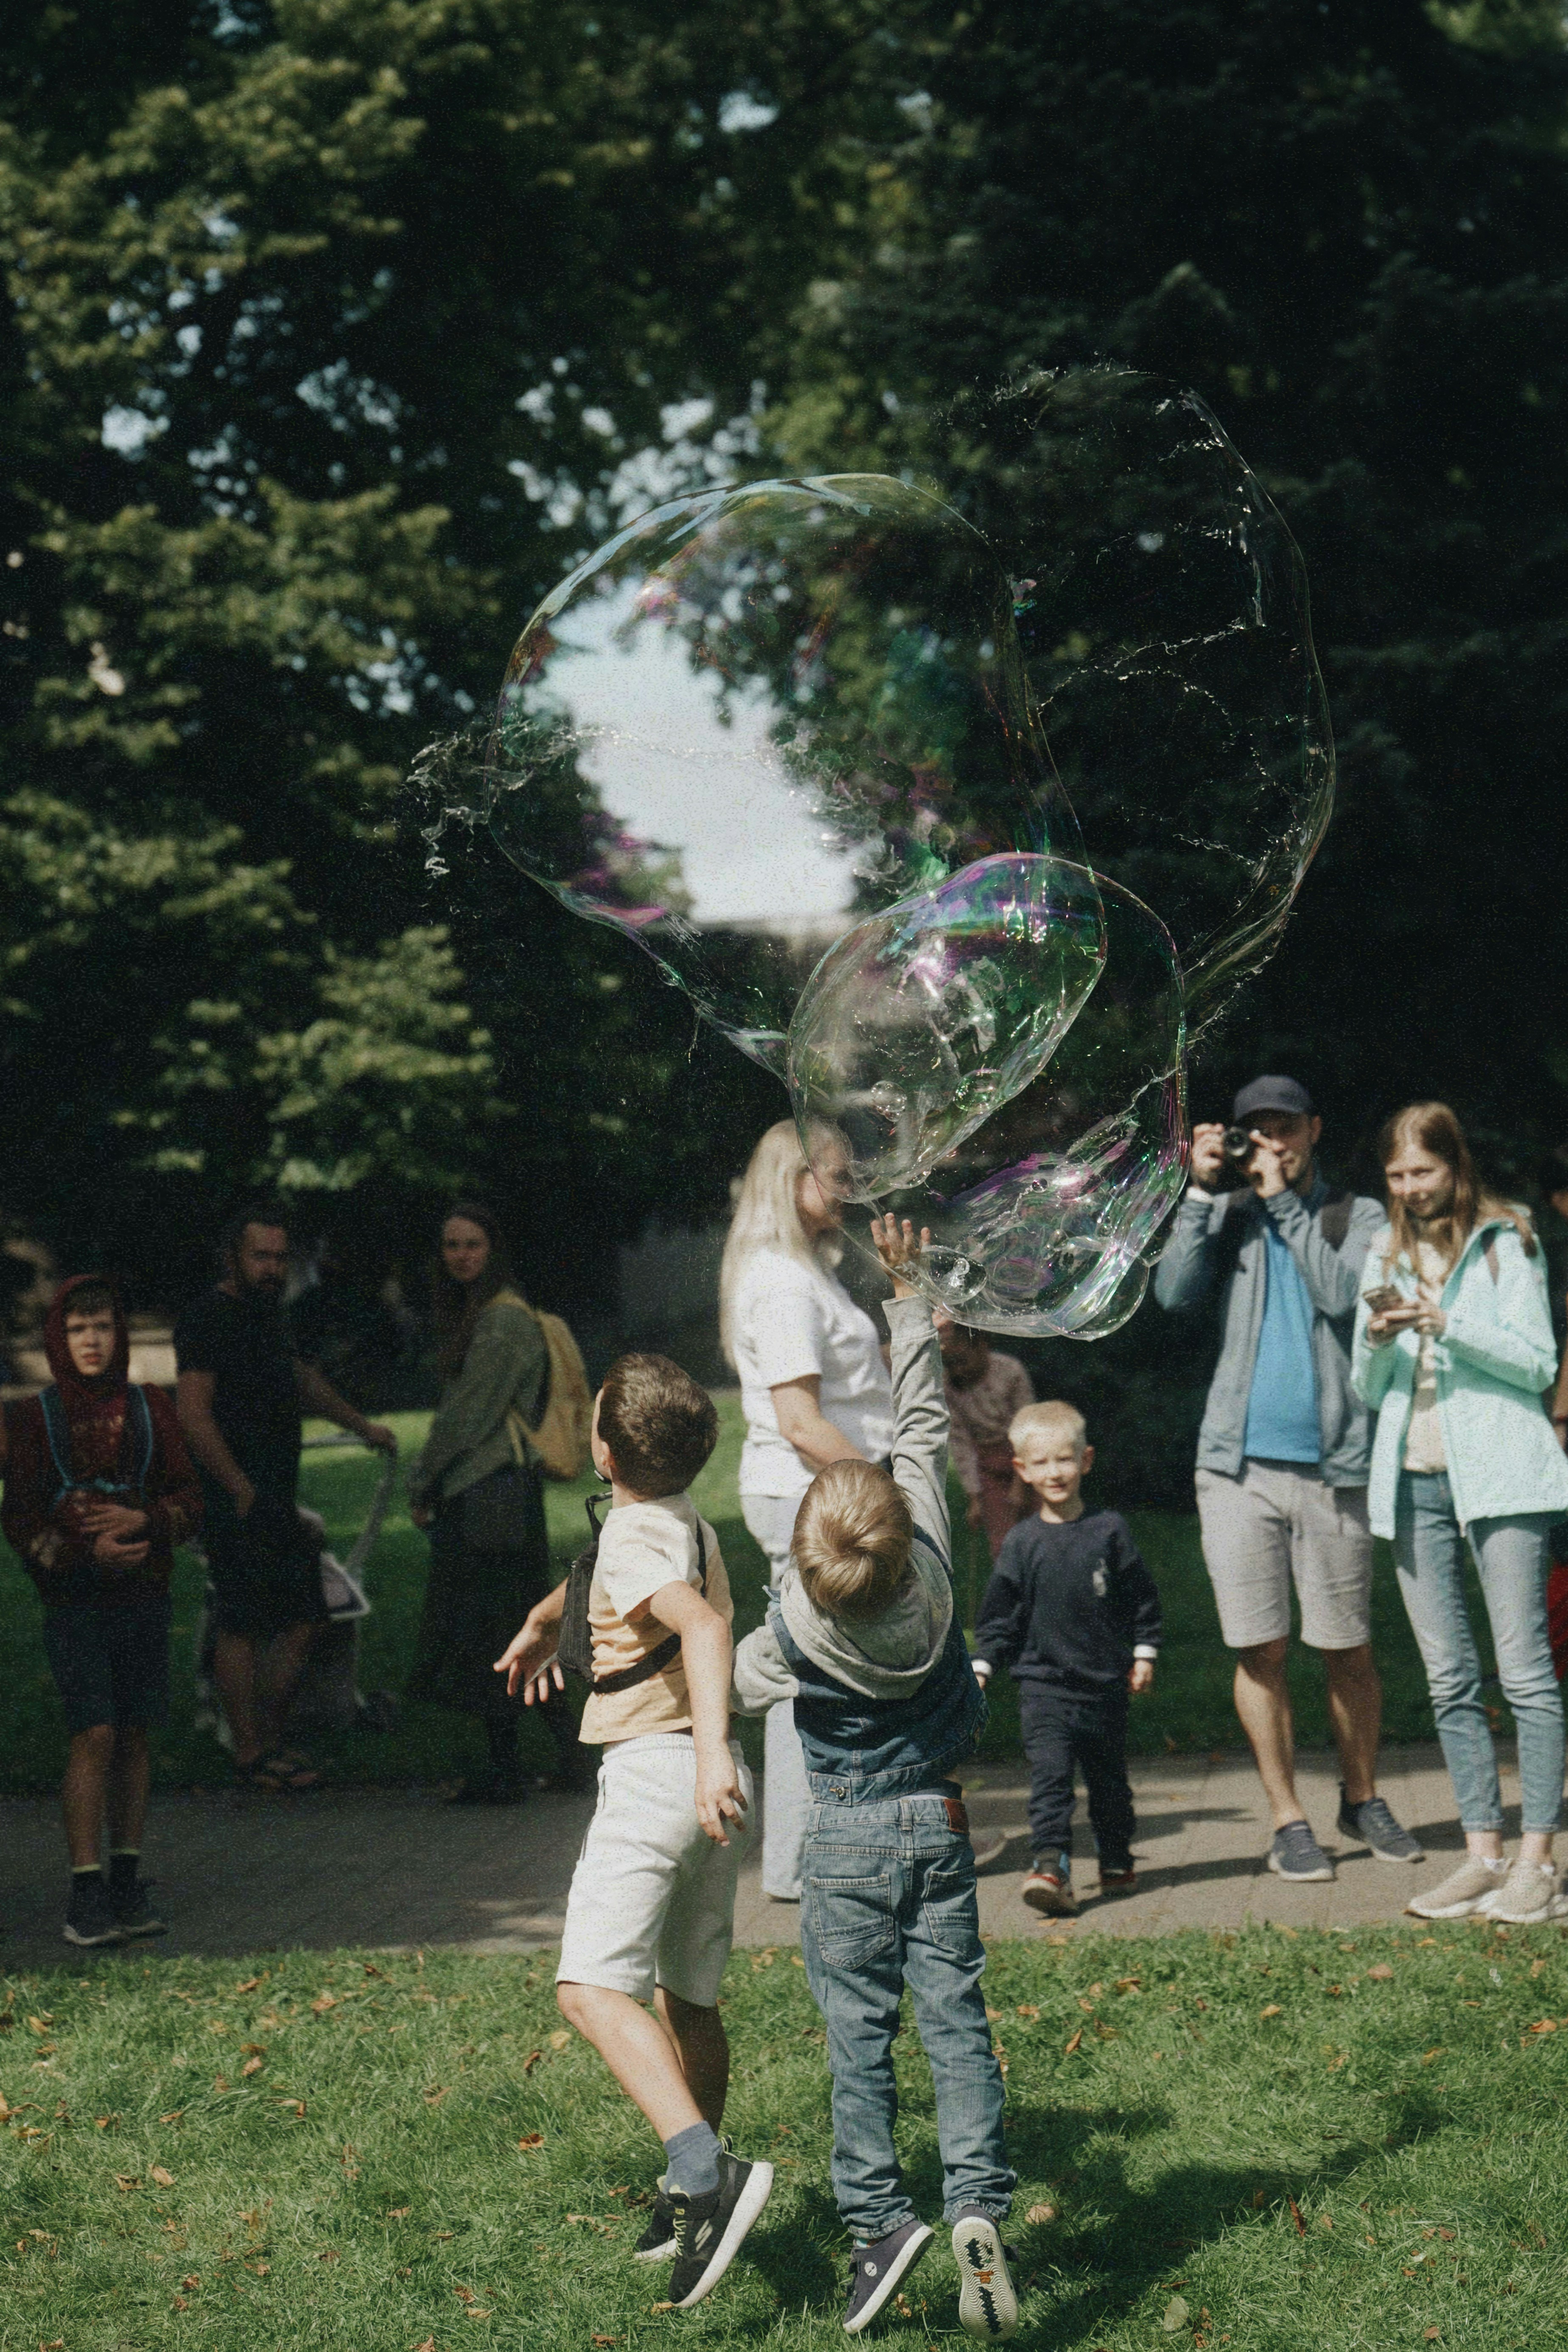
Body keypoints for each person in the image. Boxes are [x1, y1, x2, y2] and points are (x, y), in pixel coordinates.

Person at [732, 1217, 1016, 2342]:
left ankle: (876, 2223)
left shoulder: (795, 1630)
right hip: (941, 1824)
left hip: (843, 1841)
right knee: (955, 2022)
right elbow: (919, 1418)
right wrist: (908, 1292)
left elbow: (734, 1670)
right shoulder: (936, 1568)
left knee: (859, 2038)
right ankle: (977, 2206)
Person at [496, 1353, 773, 2311]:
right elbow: (605, 1570)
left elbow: (697, 1625)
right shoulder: (672, 1516)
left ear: (605, 1452)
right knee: (686, 1996)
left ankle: (708, 2170)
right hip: (708, 1784)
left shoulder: (633, 1536)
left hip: (664, 1774)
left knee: (587, 1987)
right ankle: (694, 2188)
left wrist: (704, 1755)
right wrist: (543, 1622)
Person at [1154, 1074, 1422, 1880]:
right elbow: (1170, 1294)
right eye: (1253, 1132)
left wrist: (1283, 1203)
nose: (1270, 1145)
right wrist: (1203, 1190)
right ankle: (1286, 1815)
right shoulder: (1228, 1215)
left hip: (1334, 1462)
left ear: (1312, 1129)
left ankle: (1363, 1794)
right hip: (1237, 1467)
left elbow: (1345, 1295)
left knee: (1347, 1647)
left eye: (1283, 1129)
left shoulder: (1359, 1214)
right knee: (1260, 1647)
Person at [1353, 1102, 1568, 1924]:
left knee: (1524, 1674)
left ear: (1455, 1166)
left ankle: (1538, 1861)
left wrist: (1449, 1321)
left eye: (1423, 1173)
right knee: (1449, 1679)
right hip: (1412, 1480)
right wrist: (1377, 1339)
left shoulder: (1509, 1237)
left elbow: (1538, 1361)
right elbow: (1364, 1387)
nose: (1410, 1190)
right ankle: (1482, 1855)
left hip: (1506, 1479)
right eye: (1397, 1176)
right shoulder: (1383, 1250)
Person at [719, 1119, 895, 1902]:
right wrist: (881, 1491)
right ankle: (796, 1861)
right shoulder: (784, 1282)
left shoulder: (800, 1270)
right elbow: (800, 1422)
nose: (848, 1186)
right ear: (792, 1181)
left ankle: (824, 1842)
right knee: (809, 1676)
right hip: (809, 1494)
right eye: (834, 1173)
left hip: (813, 1491)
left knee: (818, 1668)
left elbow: (847, 1390)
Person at [3, 1277, 202, 1946]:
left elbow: (190, 1497)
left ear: (121, 1334)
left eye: (104, 1327)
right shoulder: (33, 1418)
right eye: (78, 1329)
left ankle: (126, 1875)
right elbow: (21, 1517)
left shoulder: (151, 1406)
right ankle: (85, 1886)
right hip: (76, 1602)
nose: (92, 1341)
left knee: (136, 1733)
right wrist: (87, 1552)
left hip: (144, 1595)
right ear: (60, 1337)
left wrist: (146, 1517)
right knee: (95, 1733)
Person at [175, 1203, 395, 1791]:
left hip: (277, 1495)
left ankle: (270, 1741)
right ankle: (250, 1754)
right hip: (235, 1499)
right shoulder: (205, 1317)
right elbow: (193, 1414)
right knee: (241, 1622)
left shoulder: (274, 1316)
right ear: (234, 1257)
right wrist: (238, 1486)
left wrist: (360, 1424)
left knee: (305, 1615)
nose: (272, 1268)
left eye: (279, 1257)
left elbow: (303, 1379)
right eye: (261, 1256)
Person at [407, 1201, 589, 1803]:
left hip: (491, 1496)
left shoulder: (502, 1321)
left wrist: (422, 1479)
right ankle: (554, 1760)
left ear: (494, 1250)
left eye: (473, 1244)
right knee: (502, 1627)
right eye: (452, 1245)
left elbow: (468, 1416)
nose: (460, 1255)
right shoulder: (483, 1313)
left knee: (496, 1629)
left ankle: (526, 1766)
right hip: (495, 1495)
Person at [970, 1400, 1161, 1919]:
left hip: (1104, 1685)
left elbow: (1142, 1598)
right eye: (1042, 1463)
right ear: (1023, 1470)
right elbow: (1000, 1614)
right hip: (1043, 1686)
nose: (1055, 1472)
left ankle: (1117, 1857)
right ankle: (1050, 1865)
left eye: (1065, 1459)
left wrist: (1145, 1650)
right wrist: (985, 1662)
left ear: (1086, 1460)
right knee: (1051, 1780)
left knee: (1108, 1784)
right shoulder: (1022, 1541)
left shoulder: (1110, 1531)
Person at [938, 1317, 1034, 1559]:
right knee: (1003, 1540)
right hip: (989, 1468)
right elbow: (960, 1443)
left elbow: (1027, 1427)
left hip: (1028, 1461)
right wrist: (975, 1497)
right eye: (950, 1364)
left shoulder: (1010, 1371)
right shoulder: (950, 1388)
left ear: (981, 1345)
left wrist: (1020, 1485)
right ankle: (1013, 1589)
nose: (957, 1370)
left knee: (1038, 1526)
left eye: (962, 1361)